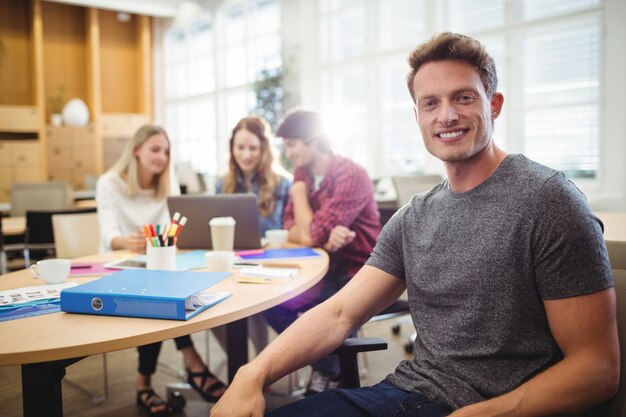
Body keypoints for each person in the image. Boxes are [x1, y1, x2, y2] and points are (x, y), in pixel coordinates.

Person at [210, 32, 619, 417]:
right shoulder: (415, 216)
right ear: (417, 115)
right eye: (430, 103)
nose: (447, 115)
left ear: (493, 105)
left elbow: (597, 368)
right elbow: (338, 313)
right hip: (408, 395)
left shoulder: (548, 200)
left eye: (463, 97)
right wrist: (253, 373)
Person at [96, 124, 227, 417]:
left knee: (165, 287)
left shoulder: (166, 184)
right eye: (155, 149)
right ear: (137, 150)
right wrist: (127, 241)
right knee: (158, 293)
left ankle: (148, 382)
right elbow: (108, 234)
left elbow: (172, 233)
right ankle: (193, 365)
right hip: (120, 266)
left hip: (158, 265)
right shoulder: (109, 183)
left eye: (166, 151)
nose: (162, 157)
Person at [263, 109, 381, 396]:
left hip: (359, 271)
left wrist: (300, 198)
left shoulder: (349, 174)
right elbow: (291, 229)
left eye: (291, 144)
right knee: (272, 304)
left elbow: (309, 235)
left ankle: (330, 374)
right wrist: (312, 231)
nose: (288, 153)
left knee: (328, 308)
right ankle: (328, 365)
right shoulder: (301, 177)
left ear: (312, 141)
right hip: (322, 267)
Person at [214, 115, 291, 354]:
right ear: (232, 148)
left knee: (257, 303)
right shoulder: (221, 184)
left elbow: (290, 229)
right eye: (240, 147)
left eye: (253, 148)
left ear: (264, 149)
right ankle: (240, 362)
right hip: (233, 263)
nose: (246, 154)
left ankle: (261, 363)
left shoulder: (282, 183)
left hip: (270, 263)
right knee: (210, 304)